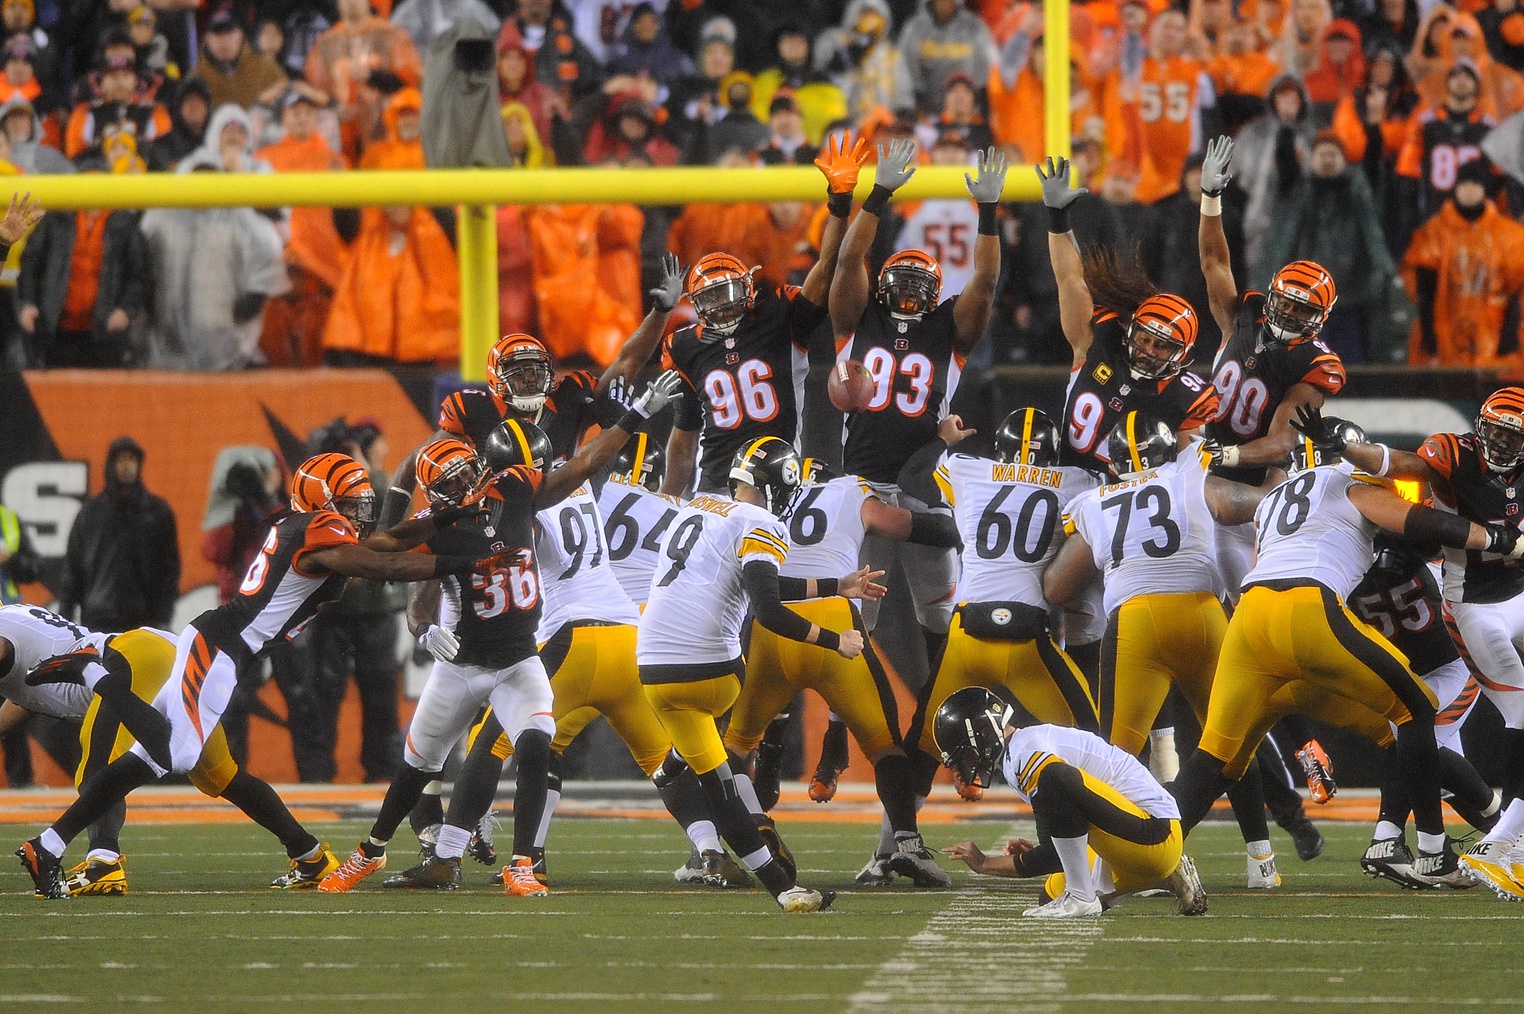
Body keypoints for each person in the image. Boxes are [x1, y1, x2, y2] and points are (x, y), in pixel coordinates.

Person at [15, 452, 505, 900]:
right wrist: (468, 560)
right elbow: (381, 564)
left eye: (362, 504)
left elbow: (385, 541)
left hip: (224, 650)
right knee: (173, 752)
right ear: (323, 502)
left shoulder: (310, 527)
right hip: (220, 648)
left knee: (167, 753)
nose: (360, 515)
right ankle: (94, 676)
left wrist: (450, 516)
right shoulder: (313, 529)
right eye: (351, 504)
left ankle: (48, 845)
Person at [317, 378, 682, 895]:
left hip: (518, 660)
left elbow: (580, 467)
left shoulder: (513, 489)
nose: (461, 482)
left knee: (536, 746)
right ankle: (370, 851)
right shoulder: (436, 524)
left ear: (481, 466)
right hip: (463, 664)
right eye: (448, 480)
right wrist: (333, 549)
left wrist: (634, 416)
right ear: (433, 491)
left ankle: (522, 865)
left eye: (465, 471)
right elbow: (385, 554)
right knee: (416, 766)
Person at [1172, 409, 1524, 890]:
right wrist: (1497, 537)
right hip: (1307, 608)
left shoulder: (1275, 497)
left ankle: (1148, 853)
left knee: (1214, 756)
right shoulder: (1348, 480)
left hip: (1250, 620)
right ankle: (1432, 851)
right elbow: (1417, 522)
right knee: (1417, 708)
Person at [636, 437, 879, 913]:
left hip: (652, 668)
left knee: (711, 779)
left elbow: (756, 583)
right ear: (782, 486)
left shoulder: (697, 507)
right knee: (722, 770)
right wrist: (835, 640)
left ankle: (780, 887)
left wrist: (836, 584)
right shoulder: (761, 522)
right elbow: (767, 609)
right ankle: (699, 775)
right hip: (711, 672)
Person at [1044, 412, 1285, 888]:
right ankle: (1262, 862)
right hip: (1203, 614)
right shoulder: (1189, 470)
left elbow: (1057, 587)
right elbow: (1233, 504)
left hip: (1136, 623)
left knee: (1116, 755)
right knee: (1229, 735)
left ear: (1113, 465)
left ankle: (1107, 870)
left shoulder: (1092, 501)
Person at [723, 437, 963, 888]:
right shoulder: (850, 490)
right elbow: (909, 527)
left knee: (736, 745)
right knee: (885, 744)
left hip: (773, 626)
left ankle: (741, 837)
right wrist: (947, 518)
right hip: (835, 620)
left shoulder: (755, 507)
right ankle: (907, 847)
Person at [1324, 390, 1524, 901]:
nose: (1501, 443)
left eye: (1512, 435)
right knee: (1448, 737)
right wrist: (1352, 449)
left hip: (1500, 607)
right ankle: (1494, 840)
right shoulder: (1452, 458)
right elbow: (1400, 462)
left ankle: (1427, 839)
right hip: (1468, 615)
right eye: (1495, 431)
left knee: (1425, 742)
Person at [827, 138, 1006, 678]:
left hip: (920, 481)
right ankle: (841, 736)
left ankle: (939, 719)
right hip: (861, 486)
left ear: (934, 294)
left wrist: (989, 212)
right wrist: (879, 193)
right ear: (881, 291)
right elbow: (849, 257)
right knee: (859, 618)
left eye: (917, 288)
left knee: (938, 614)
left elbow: (988, 280)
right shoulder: (855, 319)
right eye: (899, 288)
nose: (907, 298)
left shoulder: (948, 329)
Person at [659, 130, 867, 497]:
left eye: (728, 293)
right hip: (715, 488)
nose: (722, 305)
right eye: (712, 297)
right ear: (696, 303)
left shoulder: (779, 316)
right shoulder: (683, 346)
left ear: (748, 288)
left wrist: (838, 202)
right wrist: (670, 499)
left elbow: (827, 265)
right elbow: (684, 434)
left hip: (777, 480)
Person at [1196, 133, 1347, 598]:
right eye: (1286, 303)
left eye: (1303, 311)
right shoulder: (1243, 314)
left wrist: (1224, 456)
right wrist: (1210, 199)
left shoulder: (1314, 362)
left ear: (1319, 318)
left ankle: (1284, 513)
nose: (1290, 314)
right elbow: (1213, 260)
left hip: (1249, 475)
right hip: (1203, 456)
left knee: (1244, 589)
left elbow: (1283, 442)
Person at [939, 687, 1208, 919]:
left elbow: (1054, 852)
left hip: (1153, 835)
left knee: (1053, 777)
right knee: (1050, 895)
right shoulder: (1019, 752)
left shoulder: (1027, 753)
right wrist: (1062, 841)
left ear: (985, 732)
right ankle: (1166, 876)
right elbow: (1060, 849)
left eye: (966, 755)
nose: (967, 766)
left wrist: (985, 863)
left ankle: (1081, 897)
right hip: (1133, 839)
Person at [1350, 532, 1505, 888]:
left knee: (1419, 750)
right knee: (1428, 763)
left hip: (1445, 668)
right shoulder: (1418, 558)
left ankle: (1391, 838)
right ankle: (1500, 832)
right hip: (1424, 672)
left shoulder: (1343, 571)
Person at [139, 104, 287, 371]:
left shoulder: (259, 167)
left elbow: (276, 216)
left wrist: (238, 173)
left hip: (230, 265)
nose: (233, 136)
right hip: (186, 261)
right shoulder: (193, 163)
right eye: (226, 130)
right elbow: (162, 216)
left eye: (241, 131)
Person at [1257, 131, 1394, 365]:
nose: (1328, 160)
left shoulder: (1358, 190)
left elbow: (1372, 232)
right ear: (1312, 159)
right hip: (1307, 298)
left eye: (1333, 154)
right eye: (1322, 154)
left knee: (1350, 362)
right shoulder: (1299, 190)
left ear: (1343, 159)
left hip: (1351, 294)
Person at [15, 154, 145, 369]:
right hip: (57, 330)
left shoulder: (124, 224)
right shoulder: (56, 219)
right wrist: (28, 303)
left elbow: (139, 273)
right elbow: (30, 263)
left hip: (105, 334)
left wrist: (125, 309)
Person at [1402, 158, 1524, 367]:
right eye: (1464, 185)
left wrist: (1508, 338)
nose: (1469, 191)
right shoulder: (1435, 232)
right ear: (1455, 188)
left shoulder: (1508, 235)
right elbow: (1425, 289)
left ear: (1484, 190)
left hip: (1493, 329)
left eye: (1475, 185)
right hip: (1447, 327)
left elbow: (1515, 290)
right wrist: (1430, 337)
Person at [58, 437, 178, 636]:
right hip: (98, 621)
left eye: (132, 459)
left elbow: (169, 570)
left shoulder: (157, 513)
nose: (127, 466)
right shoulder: (90, 514)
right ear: (111, 464)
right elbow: (73, 570)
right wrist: (65, 620)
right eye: (121, 459)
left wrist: (162, 619)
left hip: (144, 621)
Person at [898, 0, 997, 113]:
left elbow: (990, 63)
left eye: (948, 1)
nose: (944, 5)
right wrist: (916, 97)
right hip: (927, 109)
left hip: (966, 110)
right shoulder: (915, 29)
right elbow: (904, 66)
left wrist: (983, 96)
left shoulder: (974, 27)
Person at [190, 11, 287, 110]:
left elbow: (287, 98)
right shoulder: (197, 77)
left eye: (229, 33)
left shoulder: (265, 68)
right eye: (217, 34)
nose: (224, 40)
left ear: (241, 35)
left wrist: (262, 103)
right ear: (207, 38)